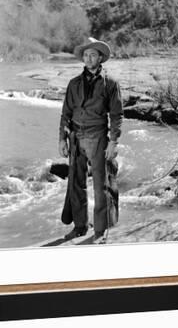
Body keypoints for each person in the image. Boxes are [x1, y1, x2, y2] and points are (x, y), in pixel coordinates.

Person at [58, 37, 123, 244]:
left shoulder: (111, 83)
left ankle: (101, 230)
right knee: (76, 185)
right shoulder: (74, 83)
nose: (88, 58)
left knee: (100, 186)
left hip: (98, 138)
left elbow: (117, 115)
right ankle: (80, 227)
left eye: (93, 54)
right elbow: (65, 113)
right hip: (75, 138)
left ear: (100, 57)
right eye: (86, 55)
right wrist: (62, 139)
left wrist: (113, 142)